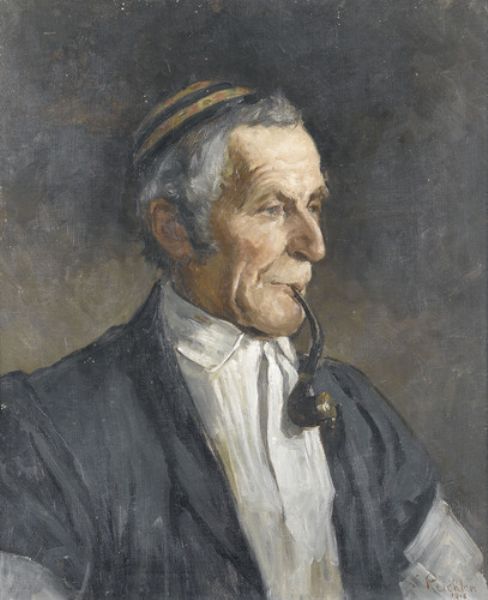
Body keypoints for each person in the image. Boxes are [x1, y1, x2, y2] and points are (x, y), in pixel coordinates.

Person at [0, 80, 486, 600]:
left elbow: (456, 583)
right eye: (273, 209)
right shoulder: (48, 423)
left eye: (314, 205)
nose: (315, 245)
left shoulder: (357, 409)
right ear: (174, 229)